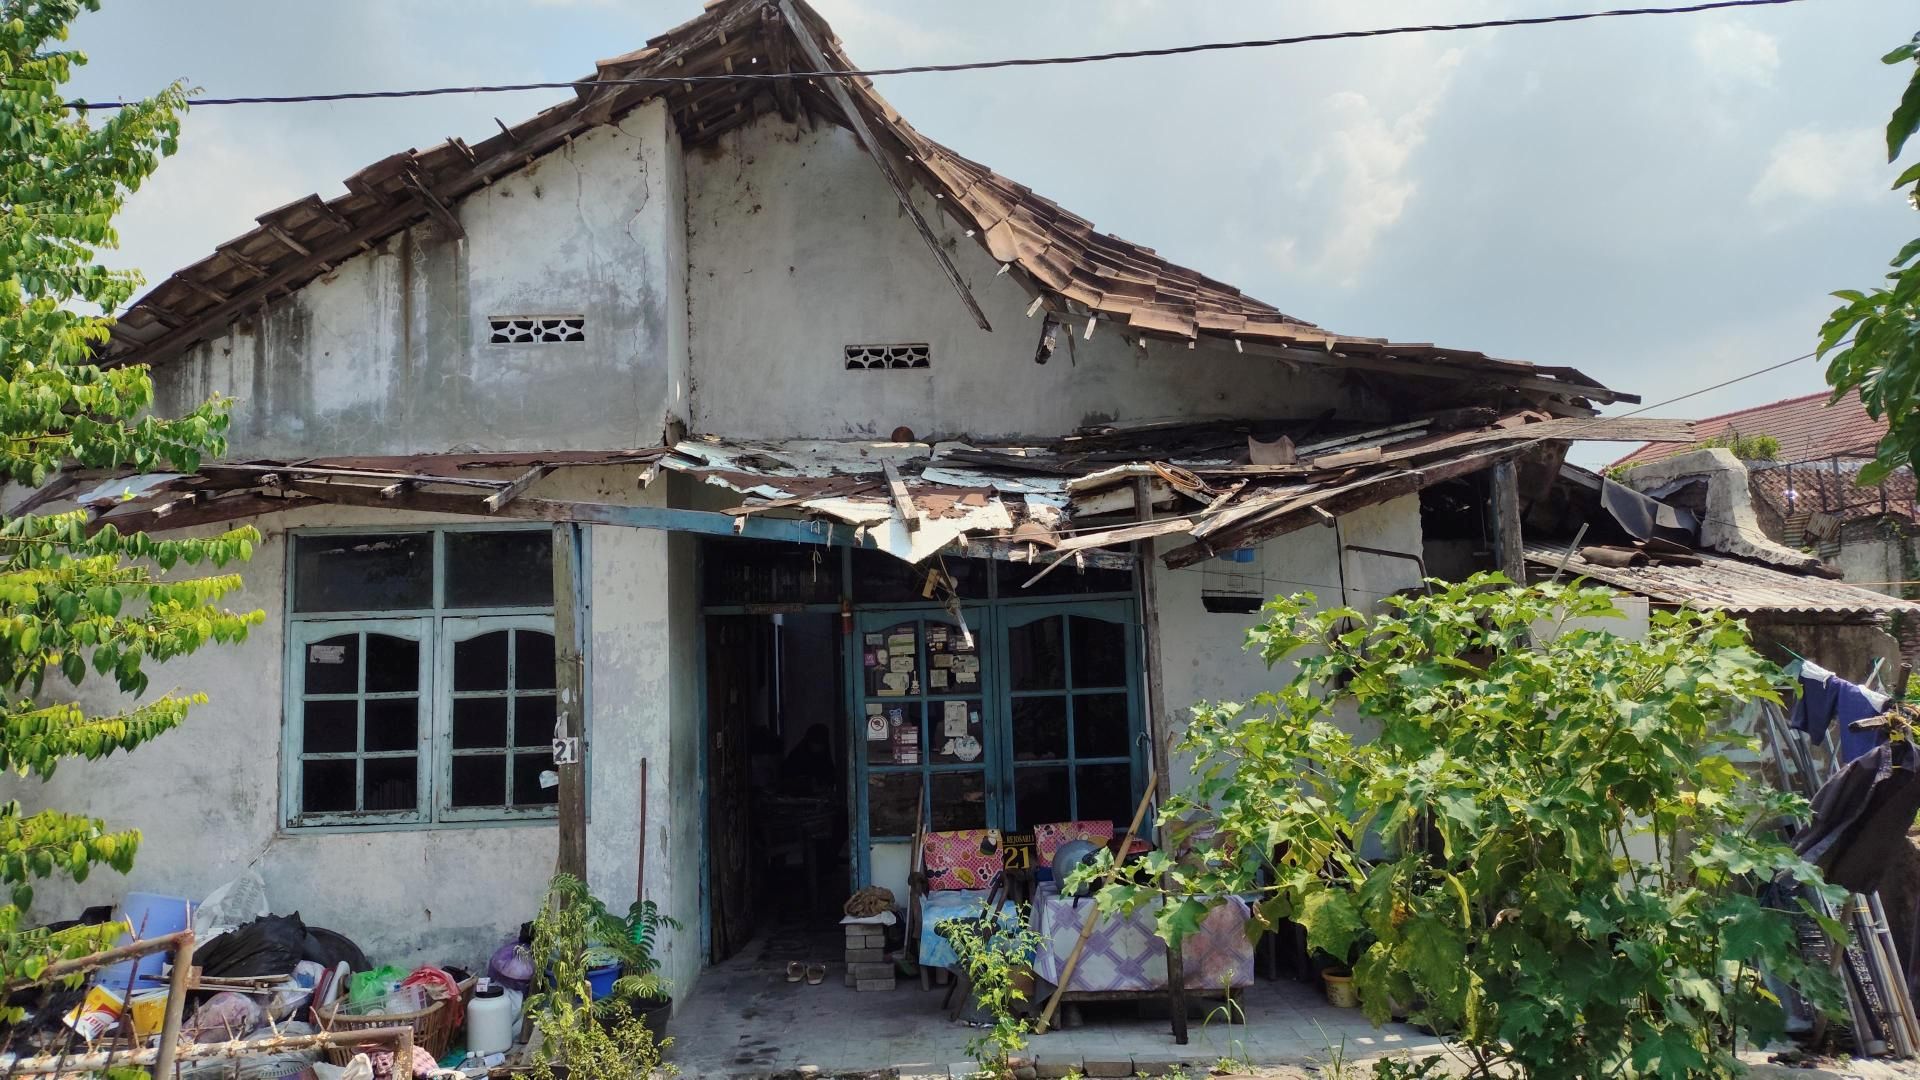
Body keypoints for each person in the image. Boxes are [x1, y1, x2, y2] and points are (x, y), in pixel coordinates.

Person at [781, 723, 837, 797]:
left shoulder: (824, 758)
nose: (818, 747)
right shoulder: (797, 756)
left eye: (821, 744)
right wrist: (807, 784)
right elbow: (787, 781)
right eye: (816, 742)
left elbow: (830, 778)